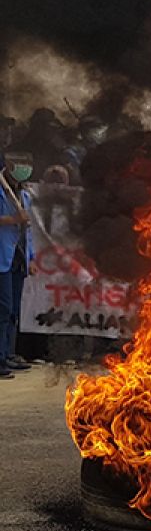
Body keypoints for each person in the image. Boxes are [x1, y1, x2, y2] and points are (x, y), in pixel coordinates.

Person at [0, 152, 33, 377]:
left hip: (18, 258)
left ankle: (8, 353)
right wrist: (13, 220)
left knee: (13, 311)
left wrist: (32, 257)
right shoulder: (1, 191)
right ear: (8, 164)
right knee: (3, 308)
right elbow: (15, 222)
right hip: (2, 258)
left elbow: (28, 232)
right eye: (19, 163)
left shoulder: (24, 193)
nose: (24, 168)